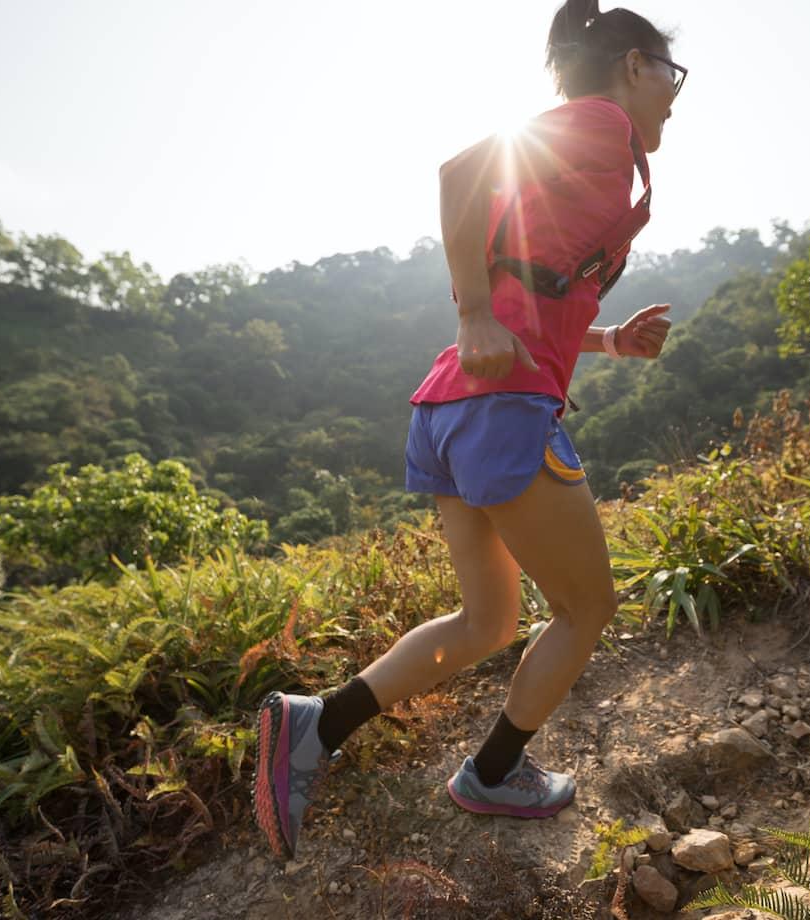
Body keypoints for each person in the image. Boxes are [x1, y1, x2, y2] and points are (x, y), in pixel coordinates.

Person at [253, 0, 683, 860]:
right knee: (588, 605)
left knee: (486, 621)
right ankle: (493, 773)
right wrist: (475, 314)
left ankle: (315, 726)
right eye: (669, 74)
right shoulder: (600, 124)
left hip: (455, 408)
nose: (675, 95)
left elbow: (538, 289)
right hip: (501, 405)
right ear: (634, 65)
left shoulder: (603, 152)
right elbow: (462, 170)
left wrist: (606, 340)